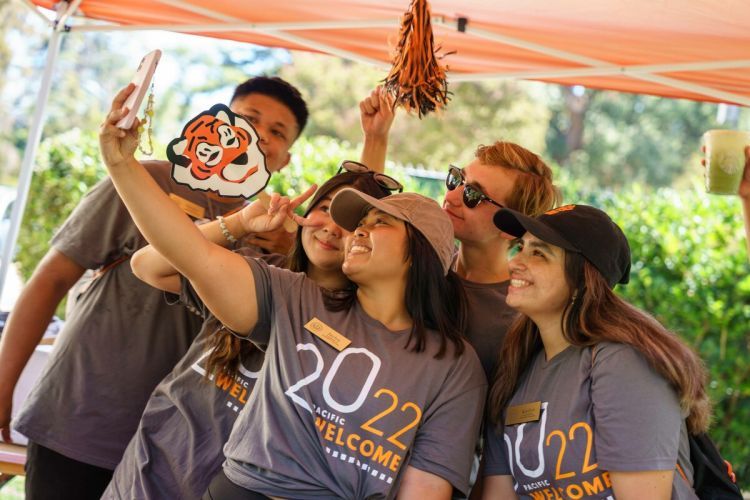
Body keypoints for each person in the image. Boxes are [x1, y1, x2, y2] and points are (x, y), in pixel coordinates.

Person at [99, 84, 487, 499]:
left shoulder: (454, 365)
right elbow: (189, 254)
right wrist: (121, 163)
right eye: (356, 220)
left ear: (422, 255)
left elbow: (425, 488)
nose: (354, 231)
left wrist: (375, 140)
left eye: (380, 223)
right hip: (178, 478)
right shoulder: (292, 293)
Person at [0, 75, 308, 499]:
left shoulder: (277, 233)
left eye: (278, 132)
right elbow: (51, 278)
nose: (260, 135)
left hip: (171, 452)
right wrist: (2, 385)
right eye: (249, 118)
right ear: (219, 121)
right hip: (79, 419)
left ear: (285, 158)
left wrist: (290, 248)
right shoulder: (141, 182)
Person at [102, 165, 400, 500]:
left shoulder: (360, 328)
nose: (332, 227)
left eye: (351, 223)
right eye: (324, 208)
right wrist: (241, 223)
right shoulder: (251, 272)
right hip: (147, 477)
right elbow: (147, 266)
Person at [481, 204, 711, 499]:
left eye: (539, 253)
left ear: (582, 280)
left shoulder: (624, 363)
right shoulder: (516, 368)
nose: (514, 263)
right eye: (520, 247)